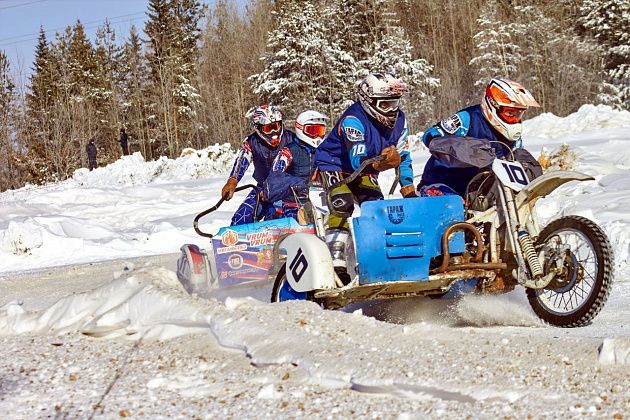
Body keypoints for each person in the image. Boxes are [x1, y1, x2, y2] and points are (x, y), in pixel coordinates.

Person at [313, 72, 416, 284]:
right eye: (385, 104)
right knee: (342, 203)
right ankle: (336, 262)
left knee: (377, 209)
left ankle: (378, 259)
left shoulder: (401, 120)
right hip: (333, 165)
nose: (392, 109)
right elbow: (357, 159)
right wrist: (386, 163)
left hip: (367, 167)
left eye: (395, 102)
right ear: (369, 100)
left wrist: (409, 189)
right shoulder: (353, 120)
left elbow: (403, 154)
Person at [418, 78, 540, 197]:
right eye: (510, 113)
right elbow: (430, 135)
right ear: (493, 105)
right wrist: (464, 148)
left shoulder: (513, 136)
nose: (514, 119)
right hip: (443, 182)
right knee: (453, 208)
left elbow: (514, 158)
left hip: (478, 188)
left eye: (519, 114)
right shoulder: (467, 118)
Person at [221, 105, 297, 226]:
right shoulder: (252, 142)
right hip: (261, 188)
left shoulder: (292, 140)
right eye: (268, 128)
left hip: (287, 190)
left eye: (276, 127)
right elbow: (242, 161)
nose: (274, 133)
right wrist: (232, 181)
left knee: (273, 218)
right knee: (242, 216)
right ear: (259, 129)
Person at [262, 110, 328, 220]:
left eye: (320, 131)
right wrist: (301, 183)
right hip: (293, 204)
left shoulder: (326, 152)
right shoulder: (288, 152)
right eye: (313, 131)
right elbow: (274, 177)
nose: (317, 136)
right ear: (301, 129)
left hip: (321, 203)